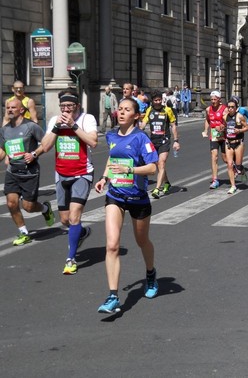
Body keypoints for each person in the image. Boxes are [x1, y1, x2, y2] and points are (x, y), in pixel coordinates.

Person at [94, 97, 159, 314]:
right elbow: (112, 159)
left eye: (127, 109)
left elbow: (152, 168)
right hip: (116, 196)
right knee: (112, 245)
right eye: (120, 109)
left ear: (136, 115)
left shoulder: (141, 138)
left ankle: (150, 274)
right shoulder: (111, 135)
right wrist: (104, 177)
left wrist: (130, 171)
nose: (121, 112)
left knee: (142, 241)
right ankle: (113, 296)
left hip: (138, 197)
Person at [41, 90, 97, 274]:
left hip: (82, 173)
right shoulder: (54, 121)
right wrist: (57, 127)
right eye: (63, 107)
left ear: (77, 107)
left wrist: (73, 126)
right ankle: (81, 233)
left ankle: (70, 259)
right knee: (65, 219)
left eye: (69, 107)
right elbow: (46, 146)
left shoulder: (86, 119)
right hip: (61, 174)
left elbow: (93, 142)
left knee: (74, 216)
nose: (66, 110)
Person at [0, 99, 54, 246]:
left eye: (13, 107)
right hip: (12, 172)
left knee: (28, 207)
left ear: (21, 110)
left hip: (29, 172)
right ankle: (24, 232)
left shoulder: (31, 126)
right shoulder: (4, 130)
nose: (10, 110)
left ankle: (45, 208)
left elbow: (46, 144)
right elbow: (2, 151)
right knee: (11, 203)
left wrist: (34, 154)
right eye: (8, 108)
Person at [139, 90, 180, 198]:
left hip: (164, 140)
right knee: (158, 164)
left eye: (159, 100)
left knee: (161, 163)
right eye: (155, 100)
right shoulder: (150, 110)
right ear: (152, 101)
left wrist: (176, 141)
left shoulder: (167, 110)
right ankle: (166, 183)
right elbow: (143, 123)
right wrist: (137, 131)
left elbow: (173, 126)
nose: (157, 102)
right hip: (153, 141)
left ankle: (157, 189)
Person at [223, 98, 248, 194]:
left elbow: (247, 127)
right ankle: (233, 186)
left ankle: (241, 170)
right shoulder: (225, 117)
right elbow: (224, 127)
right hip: (229, 143)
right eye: (229, 107)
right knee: (229, 164)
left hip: (238, 143)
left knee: (238, 166)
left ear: (236, 108)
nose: (230, 109)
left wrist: (240, 130)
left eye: (232, 107)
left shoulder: (240, 116)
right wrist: (221, 128)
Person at [202, 90, 227, 189]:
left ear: (219, 99)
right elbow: (207, 120)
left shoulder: (224, 109)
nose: (213, 101)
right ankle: (215, 179)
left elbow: (228, 122)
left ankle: (233, 167)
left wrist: (222, 126)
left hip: (224, 136)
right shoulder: (208, 109)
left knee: (225, 159)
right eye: (211, 99)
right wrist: (205, 130)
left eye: (215, 99)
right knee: (214, 156)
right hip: (214, 136)